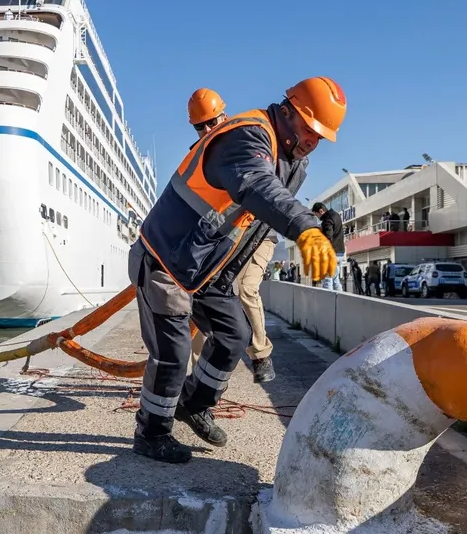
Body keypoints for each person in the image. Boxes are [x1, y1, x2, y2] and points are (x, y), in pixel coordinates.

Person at [128, 76, 346, 464]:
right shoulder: (247, 135)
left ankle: (193, 405)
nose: (314, 141)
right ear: (290, 111)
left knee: (234, 334)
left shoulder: (294, 162)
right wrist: (306, 229)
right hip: (165, 260)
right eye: (311, 130)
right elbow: (256, 187)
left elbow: (252, 226)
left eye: (321, 136)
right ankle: (151, 431)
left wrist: (226, 281)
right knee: (173, 353)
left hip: (206, 269)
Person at [185, 88, 279, 385]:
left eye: (213, 122)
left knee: (247, 289)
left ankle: (261, 354)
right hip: (224, 238)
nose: (208, 130)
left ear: (224, 117)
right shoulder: (197, 157)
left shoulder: (247, 144)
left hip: (259, 233)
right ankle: (196, 374)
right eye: (201, 126)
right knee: (197, 297)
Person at [311, 202, 344, 291]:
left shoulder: (327, 219)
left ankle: (327, 303)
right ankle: (340, 301)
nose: (317, 217)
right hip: (340, 252)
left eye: (316, 214)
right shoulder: (336, 215)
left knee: (327, 280)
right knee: (335, 279)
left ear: (321, 211)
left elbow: (328, 236)